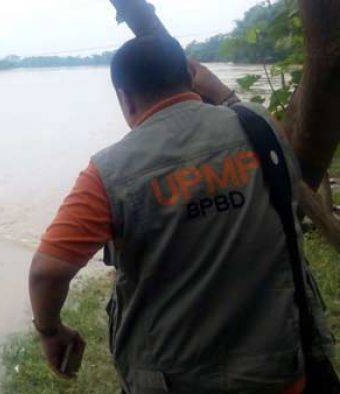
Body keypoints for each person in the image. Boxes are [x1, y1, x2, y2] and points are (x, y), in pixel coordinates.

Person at [29, 35, 334, 393]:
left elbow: (46, 272)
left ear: (125, 99)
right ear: (192, 77)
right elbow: (250, 118)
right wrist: (219, 90)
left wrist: (50, 331)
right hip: (279, 366)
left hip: (180, 380)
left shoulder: (109, 172)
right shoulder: (260, 128)